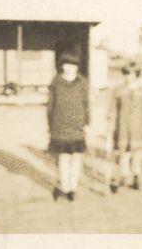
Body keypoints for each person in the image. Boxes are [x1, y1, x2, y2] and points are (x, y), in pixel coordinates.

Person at [47, 51, 90, 201]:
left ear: (76, 66)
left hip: (77, 126)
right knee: (64, 158)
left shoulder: (82, 83)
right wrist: (50, 126)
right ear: (62, 66)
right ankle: (65, 187)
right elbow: (50, 106)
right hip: (60, 126)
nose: (69, 67)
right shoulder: (56, 83)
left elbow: (86, 105)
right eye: (66, 64)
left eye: (73, 64)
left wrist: (87, 124)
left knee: (76, 158)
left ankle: (73, 188)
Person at [108, 62, 142, 193]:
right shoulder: (118, 90)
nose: (128, 77)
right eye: (126, 74)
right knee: (123, 152)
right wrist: (110, 122)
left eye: (131, 74)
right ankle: (123, 176)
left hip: (137, 126)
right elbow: (113, 108)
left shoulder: (141, 91)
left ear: (136, 75)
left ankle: (136, 177)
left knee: (136, 153)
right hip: (122, 126)